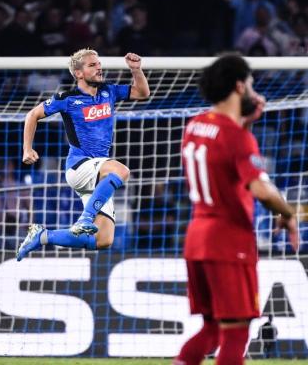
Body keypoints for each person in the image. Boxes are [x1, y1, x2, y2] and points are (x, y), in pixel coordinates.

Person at [173, 54, 298, 365]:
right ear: (240, 86)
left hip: (197, 238)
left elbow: (221, 150)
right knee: (236, 333)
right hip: (228, 242)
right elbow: (260, 190)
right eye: (252, 85)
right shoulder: (238, 138)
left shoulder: (195, 125)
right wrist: (289, 212)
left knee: (212, 329)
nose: (255, 92)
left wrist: (244, 121)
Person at [16, 48, 150, 261]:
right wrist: (27, 148)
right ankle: (85, 218)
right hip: (79, 166)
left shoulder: (109, 92)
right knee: (121, 170)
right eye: (92, 65)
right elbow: (32, 115)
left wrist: (136, 70)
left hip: (97, 173)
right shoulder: (67, 99)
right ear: (78, 73)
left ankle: (43, 236)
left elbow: (142, 93)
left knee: (103, 239)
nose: (99, 67)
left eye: (99, 64)